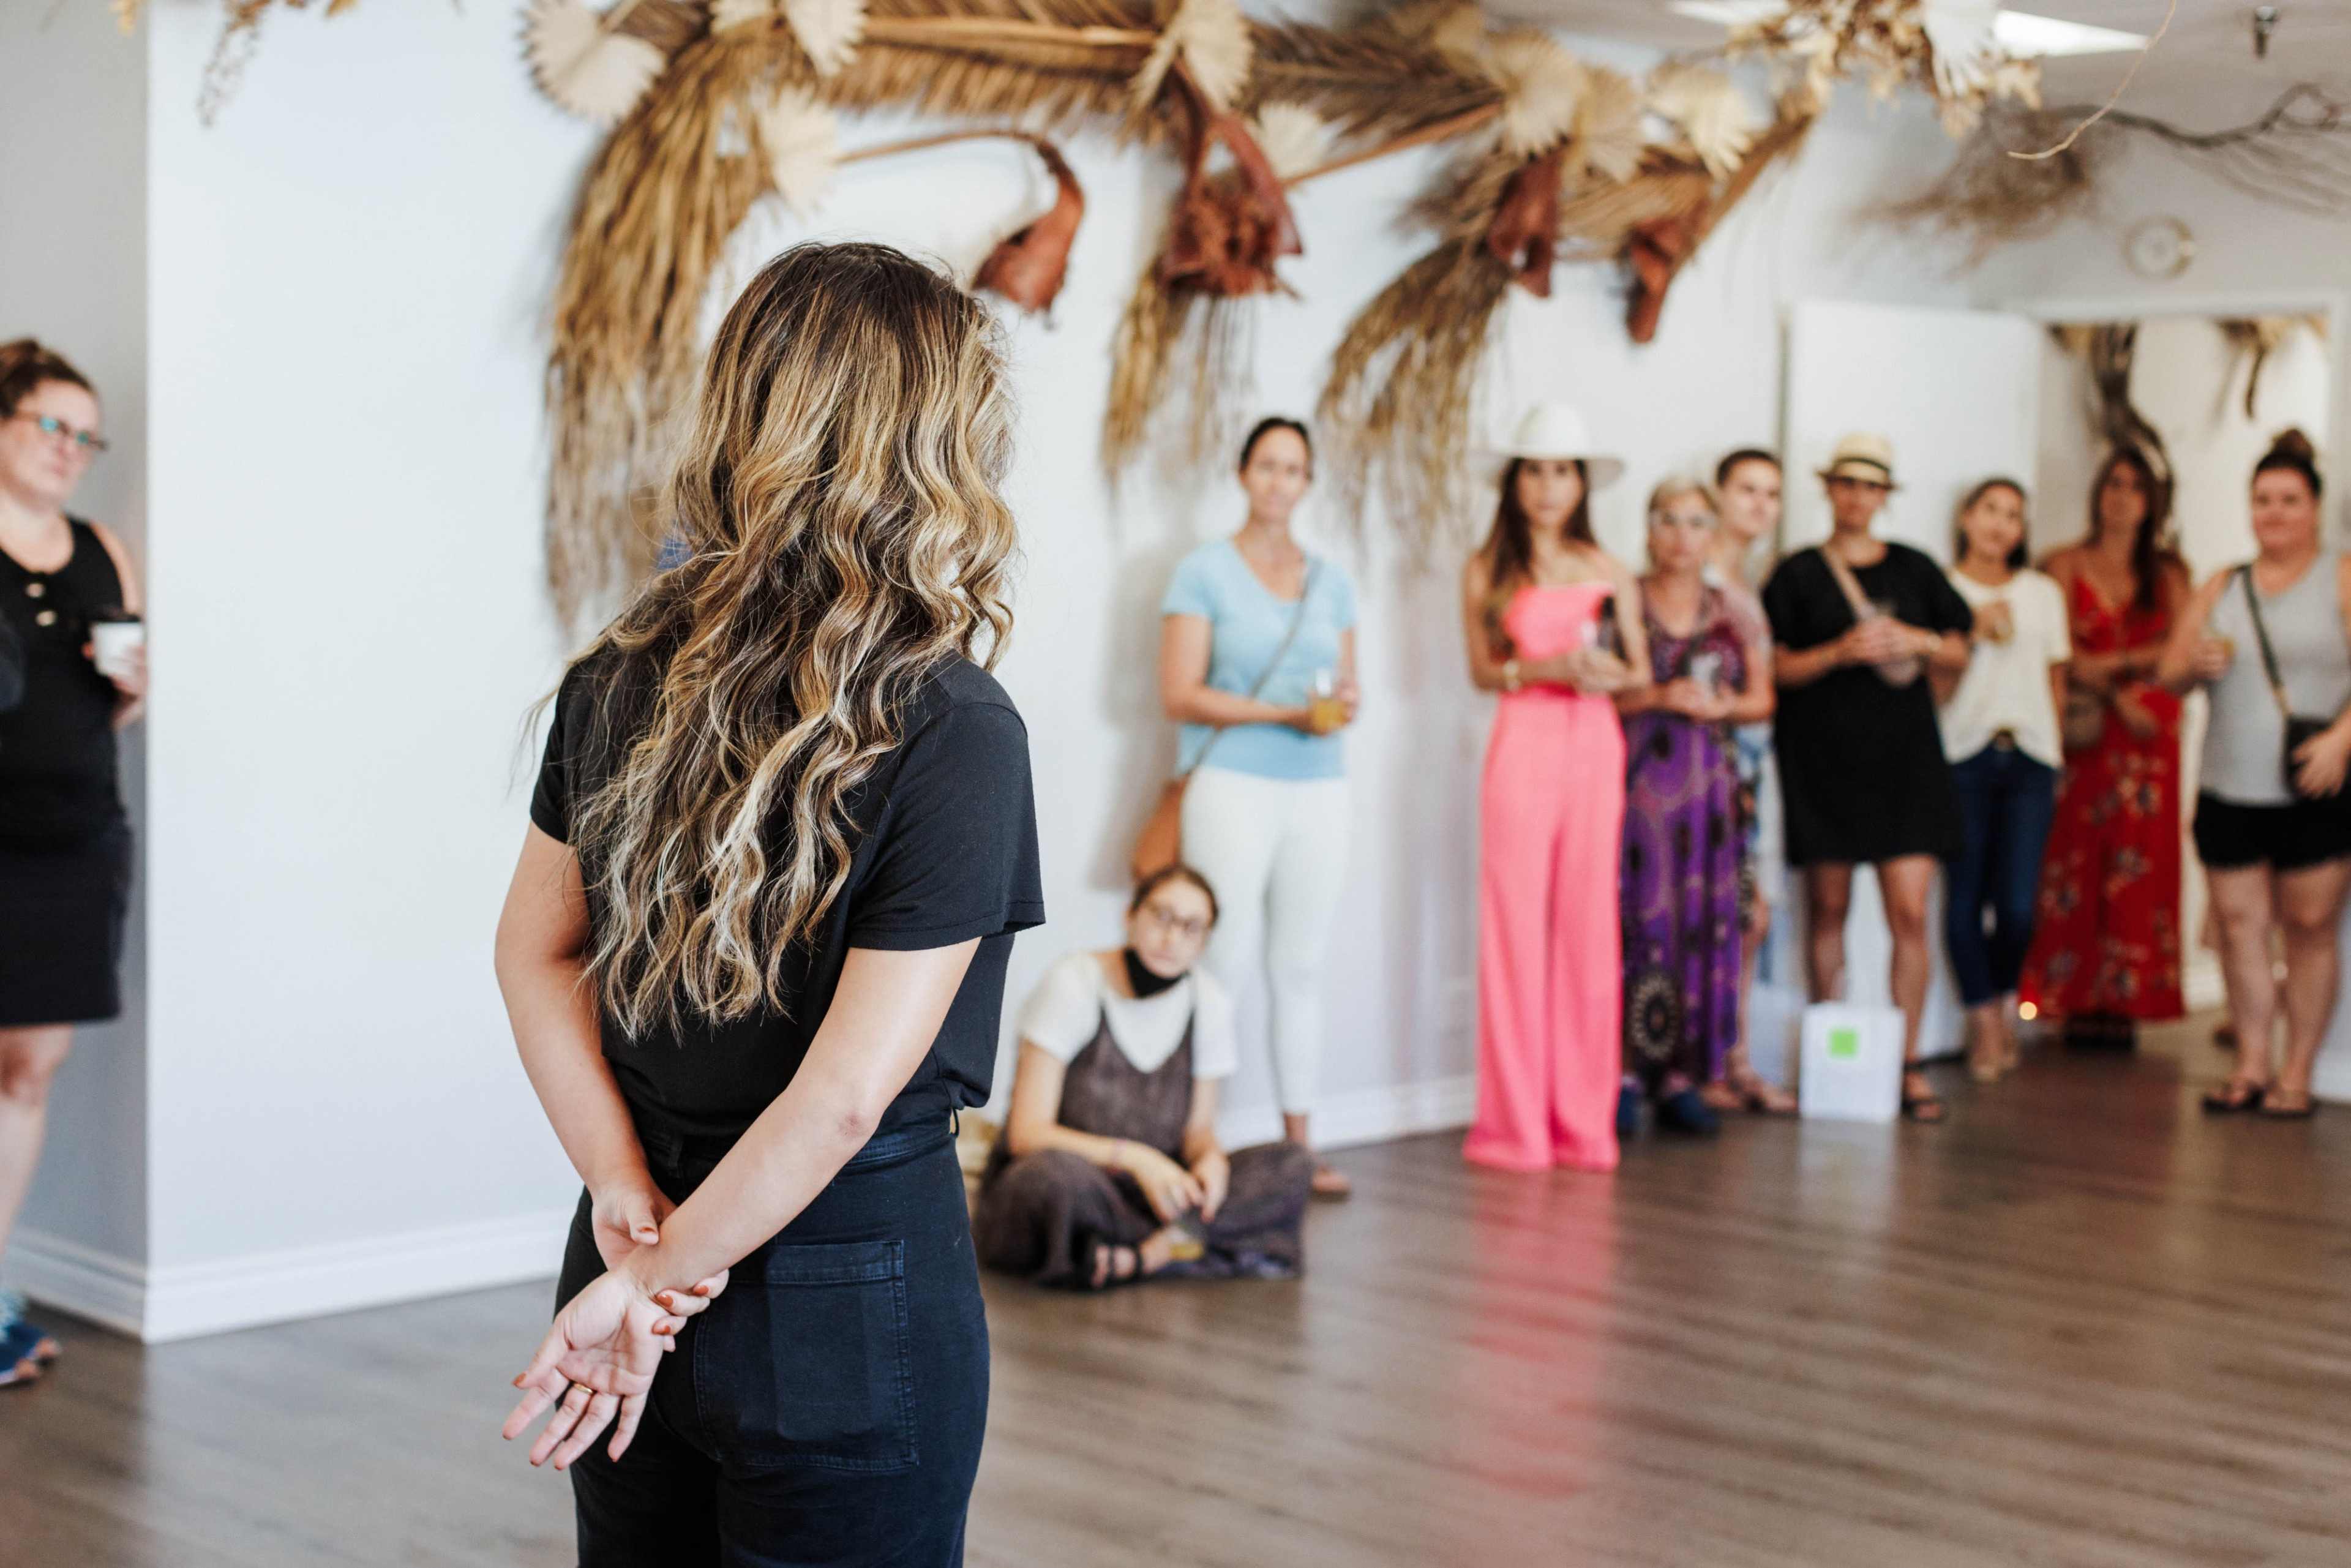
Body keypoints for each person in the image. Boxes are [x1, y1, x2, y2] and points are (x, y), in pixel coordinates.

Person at [494, 243, 1044, 1566]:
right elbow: (841, 1100)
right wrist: (665, 1268)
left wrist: (631, 1219)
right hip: (836, 1295)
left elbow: (533, 952)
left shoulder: (619, 674)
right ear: (934, 439)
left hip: (630, 1260)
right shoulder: (957, 724)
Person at [1158, 417, 1359, 1199]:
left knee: (1300, 965)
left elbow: (1350, 688)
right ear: (1243, 473)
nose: (1280, 481)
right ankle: (1190, 1136)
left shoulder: (1331, 579)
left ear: (1308, 484)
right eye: (1268, 465)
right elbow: (1180, 692)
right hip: (1232, 782)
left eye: (1295, 469)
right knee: (1223, 960)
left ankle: (1298, 1146)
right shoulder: (1203, 571)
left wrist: (1339, 705)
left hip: (1321, 785)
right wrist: (1281, 716)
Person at [0, 339, 147, 1388]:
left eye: (85, 435)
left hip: (71, 837)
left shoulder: (101, 546)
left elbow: (127, 697)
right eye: (54, 424)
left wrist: (132, 680)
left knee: (26, 1069)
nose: (72, 449)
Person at [1761, 433, 1972, 1123]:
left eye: (1870, 485)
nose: (1857, 497)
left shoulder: (1914, 569)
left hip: (1906, 762)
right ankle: (1834, 1052)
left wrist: (1914, 640)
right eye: (1845, 483)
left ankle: (1906, 1060)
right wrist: (1839, 651)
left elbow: (1961, 643)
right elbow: (1775, 668)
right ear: (1829, 489)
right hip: (1824, 764)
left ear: (1884, 496)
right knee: (1828, 910)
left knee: (1909, 911)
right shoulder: (1795, 574)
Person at [973, 866, 1314, 1288]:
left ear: (1205, 941)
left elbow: (1198, 1131)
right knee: (1050, 1180)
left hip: (1156, 1196)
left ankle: (1137, 1256)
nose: (1172, 939)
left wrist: (1212, 1159)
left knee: (1293, 1162)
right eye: (1162, 917)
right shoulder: (1075, 982)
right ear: (1131, 914)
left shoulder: (1208, 1002)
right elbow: (1025, 1133)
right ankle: (1185, 1247)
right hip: (1079, 1185)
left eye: (1192, 928)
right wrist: (1136, 1158)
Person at [1460, 403, 1648, 1171]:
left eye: (1562, 470)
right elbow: (1480, 670)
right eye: (1535, 469)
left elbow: (1639, 672)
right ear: (1514, 480)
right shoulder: (1487, 569)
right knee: (1512, 930)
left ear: (1580, 483)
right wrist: (1547, 670)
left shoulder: (1609, 566)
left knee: (1587, 929)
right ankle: (1514, 1129)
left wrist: (1602, 675)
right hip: (1523, 741)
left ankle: (1582, 1122)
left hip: (1595, 747)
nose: (1548, 485)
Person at [2159, 430, 2351, 1119]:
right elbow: (2169, 673)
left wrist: (2341, 738)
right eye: (2262, 499)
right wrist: (2195, 667)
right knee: (2240, 926)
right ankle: (2251, 1062)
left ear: (2314, 508)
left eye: (2288, 500)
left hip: (2314, 786)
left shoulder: (2342, 576)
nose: (2273, 513)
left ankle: (2298, 1070)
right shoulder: (2222, 583)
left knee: (2308, 924)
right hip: (2228, 785)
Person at [1615, 479, 1774, 1136]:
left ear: (1712, 533)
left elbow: (1763, 699)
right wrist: (1660, 693)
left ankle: (1683, 1075)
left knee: (1701, 922)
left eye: (1695, 522)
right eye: (1669, 520)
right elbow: (1601, 694)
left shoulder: (1734, 612)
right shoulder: (1622, 600)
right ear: (1649, 529)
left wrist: (1722, 706)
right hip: (1639, 786)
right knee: (1634, 922)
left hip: (1709, 792)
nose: (1682, 534)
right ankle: (1623, 1070)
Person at [2020, 448, 2190, 1048]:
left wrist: (2117, 670)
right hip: (2085, 735)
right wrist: (2120, 681)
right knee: (2073, 858)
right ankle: (2066, 994)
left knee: (2135, 865)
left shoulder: (2168, 572)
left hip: (2148, 739)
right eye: (2112, 484)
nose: (2120, 496)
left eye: (2134, 487)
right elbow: (2057, 653)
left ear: (2152, 502)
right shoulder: (2065, 565)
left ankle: (2125, 996)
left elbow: (2180, 652)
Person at [1935, 479, 2069, 1083]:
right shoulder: (1942, 588)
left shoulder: (2043, 593)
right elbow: (1932, 685)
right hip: (1962, 752)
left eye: (2013, 514)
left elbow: (2057, 680)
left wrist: (2057, 752)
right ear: (1967, 516)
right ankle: (1985, 1019)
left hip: (2030, 757)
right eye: (1990, 509)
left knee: (2016, 905)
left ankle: (2006, 993)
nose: (1999, 524)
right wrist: (1967, 633)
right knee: (1963, 898)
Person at [1708, 446, 1797, 1115]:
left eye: (1771, 493)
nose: (1759, 505)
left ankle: (1733, 1057)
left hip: (1753, 764)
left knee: (1749, 915)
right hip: (1717, 764)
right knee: (1731, 914)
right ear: (1719, 493)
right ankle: (1713, 1060)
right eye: (1747, 489)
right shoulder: (1701, 575)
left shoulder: (1749, 579)